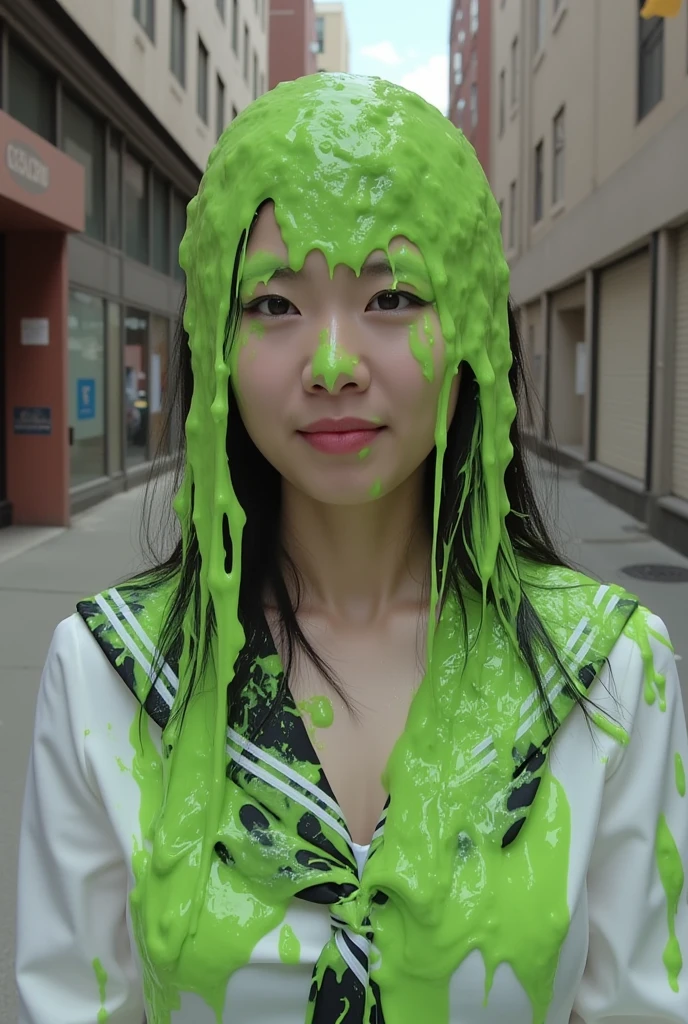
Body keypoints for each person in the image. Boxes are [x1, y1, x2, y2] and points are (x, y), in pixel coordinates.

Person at [15, 72, 688, 1024]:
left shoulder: (610, 671)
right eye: (275, 307)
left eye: (395, 295)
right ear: (215, 340)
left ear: (473, 336)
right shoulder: (108, 673)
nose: (333, 364)